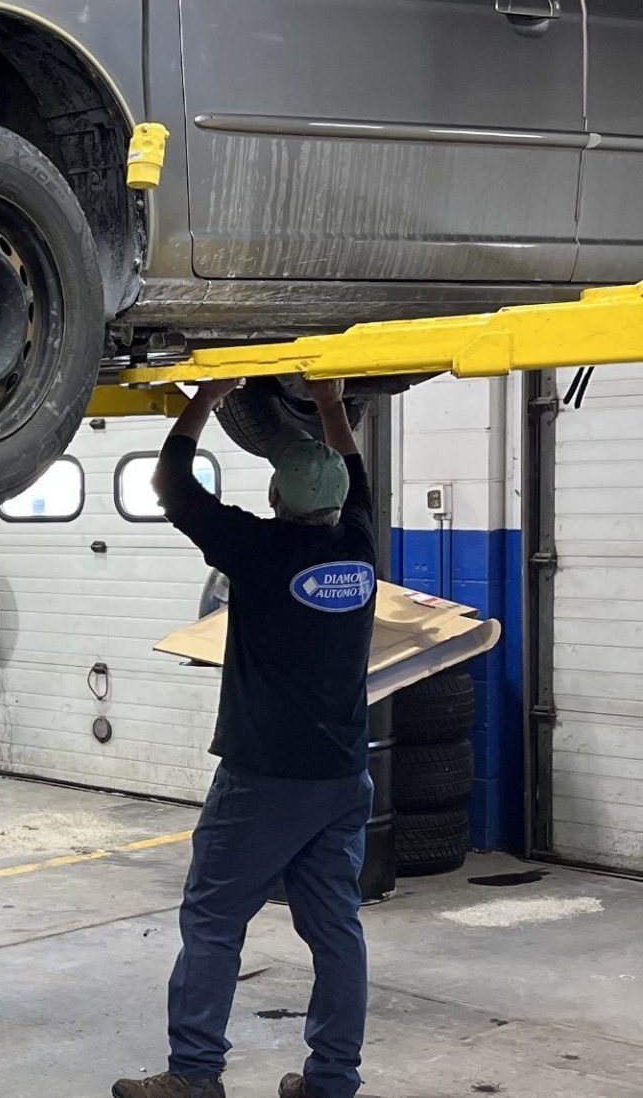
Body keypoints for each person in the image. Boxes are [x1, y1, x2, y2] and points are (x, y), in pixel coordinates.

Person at [114, 379, 378, 1098]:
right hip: (341, 778)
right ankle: (332, 1082)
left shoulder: (261, 552)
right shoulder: (358, 545)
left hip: (265, 780)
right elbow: (356, 479)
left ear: (276, 501)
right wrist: (331, 405)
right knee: (335, 932)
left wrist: (207, 396)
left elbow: (170, 482)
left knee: (212, 917)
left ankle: (195, 1074)